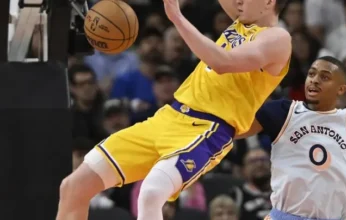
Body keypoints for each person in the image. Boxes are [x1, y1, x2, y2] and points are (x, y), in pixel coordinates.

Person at [56, 0, 291, 219]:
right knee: (74, 186)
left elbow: (223, 62)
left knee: (151, 192)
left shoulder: (277, 39)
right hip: (168, 117)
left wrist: (176, 17)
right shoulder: (243, 20)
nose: (237, 1)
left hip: (207, 130)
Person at [237, 56, 346, 219]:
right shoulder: (283, 112)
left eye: (324, 77)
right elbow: (237, 130)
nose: (315, 80)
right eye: (311, 74)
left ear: (341, 89)